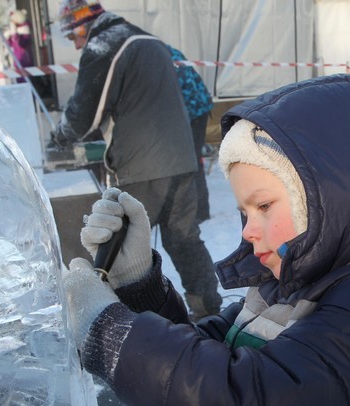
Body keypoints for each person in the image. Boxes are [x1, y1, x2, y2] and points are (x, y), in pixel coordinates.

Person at [61, 73, 350, 406]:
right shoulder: (282, 289)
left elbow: (246, 403)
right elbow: (207, 359)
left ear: (334, 198)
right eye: (243, 212)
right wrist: (138, 282)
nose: (248, 231)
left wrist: (110, 334)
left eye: (263, 206)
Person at [50, 0, 222, 320]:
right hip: (181, 158)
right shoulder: (147, 39)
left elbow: (84, 115)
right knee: (184, 240)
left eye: (72, 36)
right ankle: (208, 310)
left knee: (123, 249)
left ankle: (123, 321)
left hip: (141, 165)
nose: (74, 45)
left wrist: (59, 137)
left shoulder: (104, 45)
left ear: (84, 25)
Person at [166, 43, 214, 222]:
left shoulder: (155, 56)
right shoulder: (166, 51)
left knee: (190, 163)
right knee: (195, 161)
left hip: (191, 112)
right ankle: (201, 209)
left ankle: (199, 211)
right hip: (199, 108)